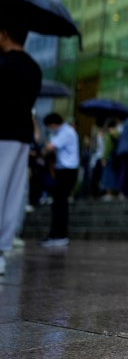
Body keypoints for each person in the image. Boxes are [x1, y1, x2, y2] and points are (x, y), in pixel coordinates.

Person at [0, 23, 41, 274]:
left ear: (5, 33)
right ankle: (2, 251)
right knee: (12, 193)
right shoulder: (33, 67)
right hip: (21, 134)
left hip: (2, 131)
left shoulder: (4, 63)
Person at [41, 113, 80, 247]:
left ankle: (59, 235)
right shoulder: (65, 132)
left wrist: (46, 145)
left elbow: (49, 148)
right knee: (58, 204)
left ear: (52, 124)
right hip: (64, 171)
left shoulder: (66, 132)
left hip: (67, 171)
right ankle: (56, 235)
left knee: (60, 204)